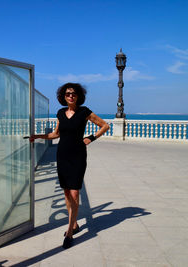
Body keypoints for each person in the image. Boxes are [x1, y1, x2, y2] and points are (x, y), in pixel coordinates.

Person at [30, 83, 110, 249]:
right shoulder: (60, 113)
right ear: (63, 96)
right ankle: (74, 224)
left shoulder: (84, 111)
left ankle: (70, 232)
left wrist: (91, 138)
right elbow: (56, 134)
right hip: (62, 155)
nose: (71, 96)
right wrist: (37, 135)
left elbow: (105, 125)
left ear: (78, 96)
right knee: (66, 191)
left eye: (73, 93)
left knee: (74, 192)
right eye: (67, 94)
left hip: (78, 155)